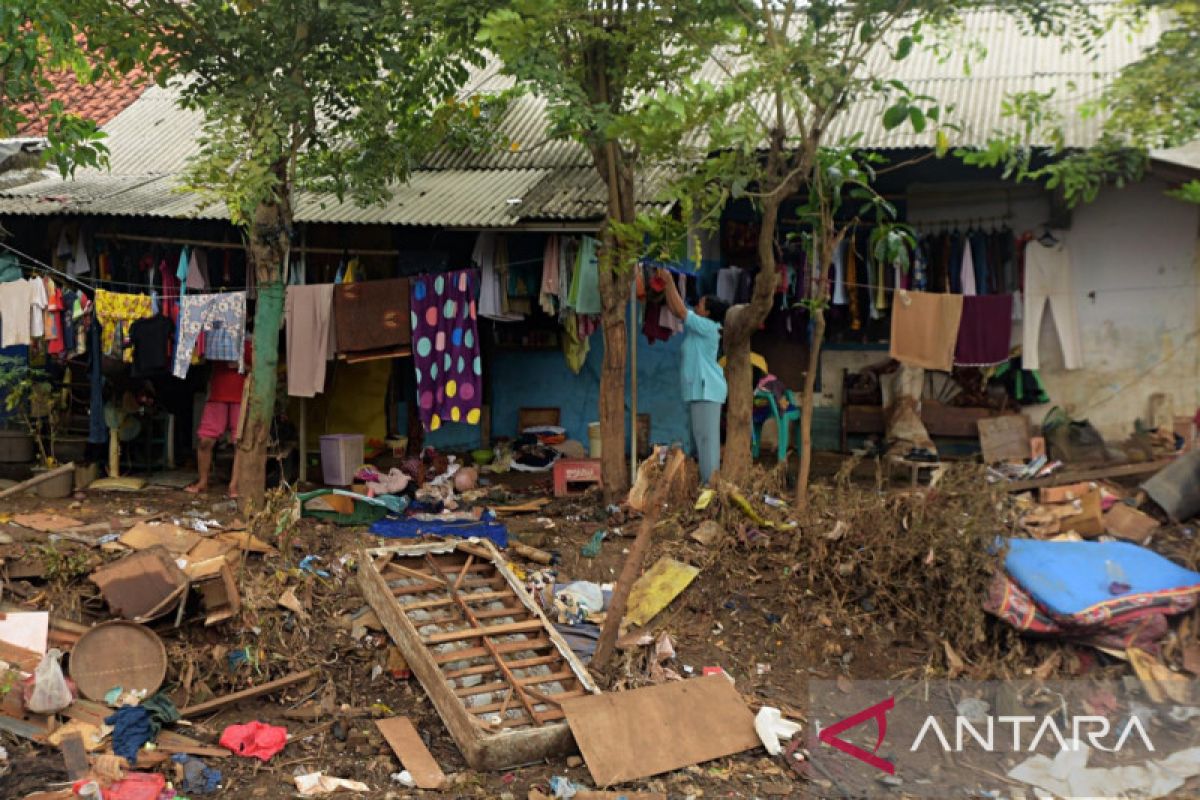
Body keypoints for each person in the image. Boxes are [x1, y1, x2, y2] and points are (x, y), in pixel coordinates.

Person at [656, 268, 728, 485]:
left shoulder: (707, 327)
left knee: (707, 442)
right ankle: (706, 485)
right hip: (701, 390)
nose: (696, 306)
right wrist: (668, 284)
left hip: (708, 391)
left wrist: (669, 281)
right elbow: (675, 307)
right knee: (701, 441)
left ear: (707, 313)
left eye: (700, 305)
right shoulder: (701, 327)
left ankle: (711, 487)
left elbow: (680, 310)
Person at [186, 339, 252, 497]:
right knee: (205, 441)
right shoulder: (216, 338)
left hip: (241, 397)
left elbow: (260, 369)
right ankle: (203, 482)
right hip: (217, 395)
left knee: (240, 443)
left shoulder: (248, 342)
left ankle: (234, 485)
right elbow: (200, 358)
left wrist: (241, 365)